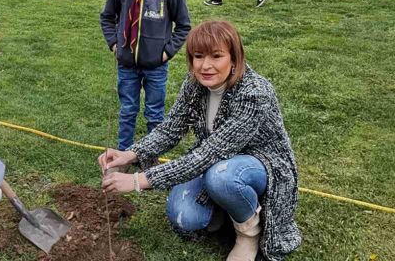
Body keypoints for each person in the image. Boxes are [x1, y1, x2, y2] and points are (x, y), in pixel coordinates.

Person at [99, 21, 301, 261]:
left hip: (260, 165)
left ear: (234, 58)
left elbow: (208, 155)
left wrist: (136, 180)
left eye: (216, 56)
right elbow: (170, 128)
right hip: (214, 161)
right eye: (198, 56)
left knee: (222, 177)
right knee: (183, 216)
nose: (206, 66)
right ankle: (227, 211)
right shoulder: (195, 84)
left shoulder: (254, 92)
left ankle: (249, 234)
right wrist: (130, 154)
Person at [100, 0, 191, 151]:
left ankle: (151, 154)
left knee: (154, 112)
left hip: (156, 67)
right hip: (126, 64)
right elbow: (107, 16)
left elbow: (183, 25)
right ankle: (123, 153)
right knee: (128, 109)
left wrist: (167, 53)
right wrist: (114, 44)